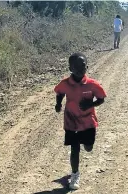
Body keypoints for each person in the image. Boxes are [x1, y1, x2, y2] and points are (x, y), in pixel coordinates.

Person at [54, 52, 107, 190]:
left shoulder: (92, 85)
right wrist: (58, 104)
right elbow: (60, 92)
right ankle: (75, 174)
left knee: (88, 147)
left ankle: (85, 146)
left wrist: (90, 105)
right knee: (74, 148)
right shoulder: (65, 83)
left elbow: (101, 99)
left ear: (87, 67)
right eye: (75, 66)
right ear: (70, 68)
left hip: (88, 121)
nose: (79, 68)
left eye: (82, 65)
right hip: (71, 121)